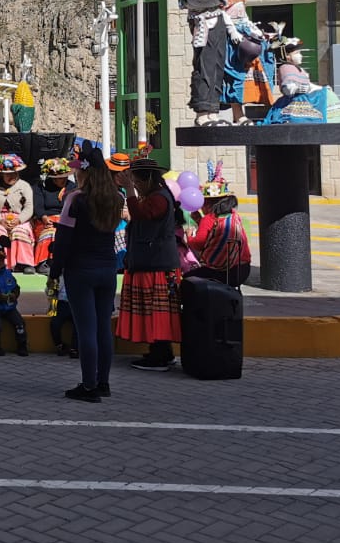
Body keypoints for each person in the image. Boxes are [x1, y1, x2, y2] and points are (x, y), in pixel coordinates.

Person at [53, 148, 124, 402]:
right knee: (104, 327)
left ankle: (88, 385)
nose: (74, 171)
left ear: (84, 171)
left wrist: (54, 271)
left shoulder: (75, 199)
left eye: (76, 168)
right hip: (108, 268)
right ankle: (103, 382)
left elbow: (63, 239)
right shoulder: (116, 199)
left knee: (86, 329)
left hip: (80, 269)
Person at [176, 0, 243, 127]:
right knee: (206, 65)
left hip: (216, 17)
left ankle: (212, 112)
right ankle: (203, 112)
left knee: (216, 66)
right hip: (205, 20)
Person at [119, 157, 183, 372]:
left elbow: (140, 215)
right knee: (154, 311)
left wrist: (128, 191)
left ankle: (160, 355)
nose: (134, 184)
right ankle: (159, 351)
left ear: (146, 179)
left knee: (156, 312)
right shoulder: (157, 197)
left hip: (157, 265)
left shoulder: (159, 199)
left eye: (136, 180)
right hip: (151, 262)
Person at [186, 174, 252, 287]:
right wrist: (199, 222)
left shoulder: (209, 218)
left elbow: (198, 244)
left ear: (206, 204)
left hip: (222, 272)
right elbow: (214, 233)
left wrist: (189, 237)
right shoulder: (233, 215)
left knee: (187, 279)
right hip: (243, 271)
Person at [0, 151, 36, 273]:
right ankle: (0, 262)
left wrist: (19, 220)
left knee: (19, 231)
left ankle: (24, 263)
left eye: (14, 173)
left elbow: (29, 207)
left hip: (19, 218)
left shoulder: (24, 186)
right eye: (8, 174)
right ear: (0, 174)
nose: (12, 176)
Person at [32, 157, 74, 272]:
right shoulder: (41, 187)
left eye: (65, 176)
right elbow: (38, 206)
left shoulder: (72, 187)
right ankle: (44, 262)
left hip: (67, 219)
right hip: (46, 220)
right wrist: (44, 217)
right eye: (60, 178)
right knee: (51, 232)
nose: (63, 179)